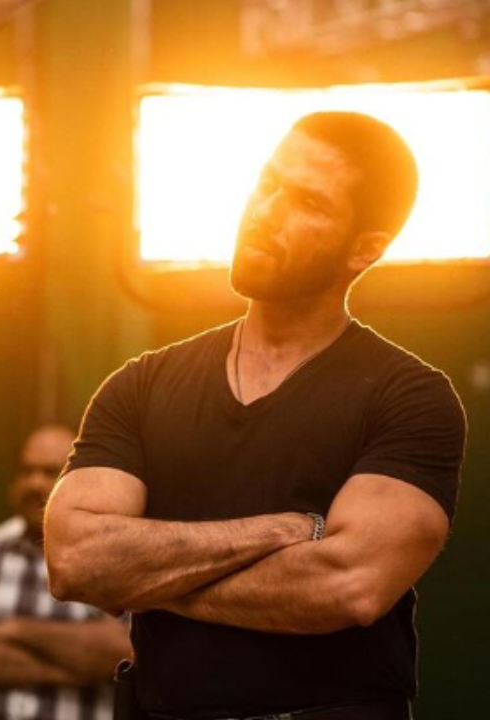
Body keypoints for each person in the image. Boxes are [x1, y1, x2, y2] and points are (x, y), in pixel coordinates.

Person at [44, 112, 466, 720]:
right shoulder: (141, 385)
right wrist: (277, 532)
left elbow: (346, 587)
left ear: (364, 249)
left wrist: (146, 581)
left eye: (307, 202)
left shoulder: (411, 397)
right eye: (267, 182)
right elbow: (74, 561)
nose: (265, 211)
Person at [0, 425, 132, 720]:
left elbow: (122, 651)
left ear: (83, 483)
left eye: (50, 472)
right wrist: (62, 672)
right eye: (26, 471)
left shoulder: (112, 565)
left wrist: (17, 629)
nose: (34, 483)